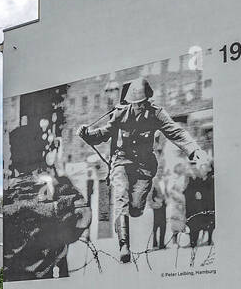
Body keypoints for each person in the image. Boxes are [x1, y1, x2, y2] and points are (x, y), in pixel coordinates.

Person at [78, 78, 208, 263]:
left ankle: (135, 208)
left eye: (141, 104)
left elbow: (176, 132)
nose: (138, 107)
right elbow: (105, 133)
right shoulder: (121, 113)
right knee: (120, 195)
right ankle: (124, 246)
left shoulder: (156, 113)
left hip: (144, 167)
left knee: (136, 208)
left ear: (147, 100)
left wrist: (195, 150)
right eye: (135, 104)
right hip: (121, 161)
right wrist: (87, 134)